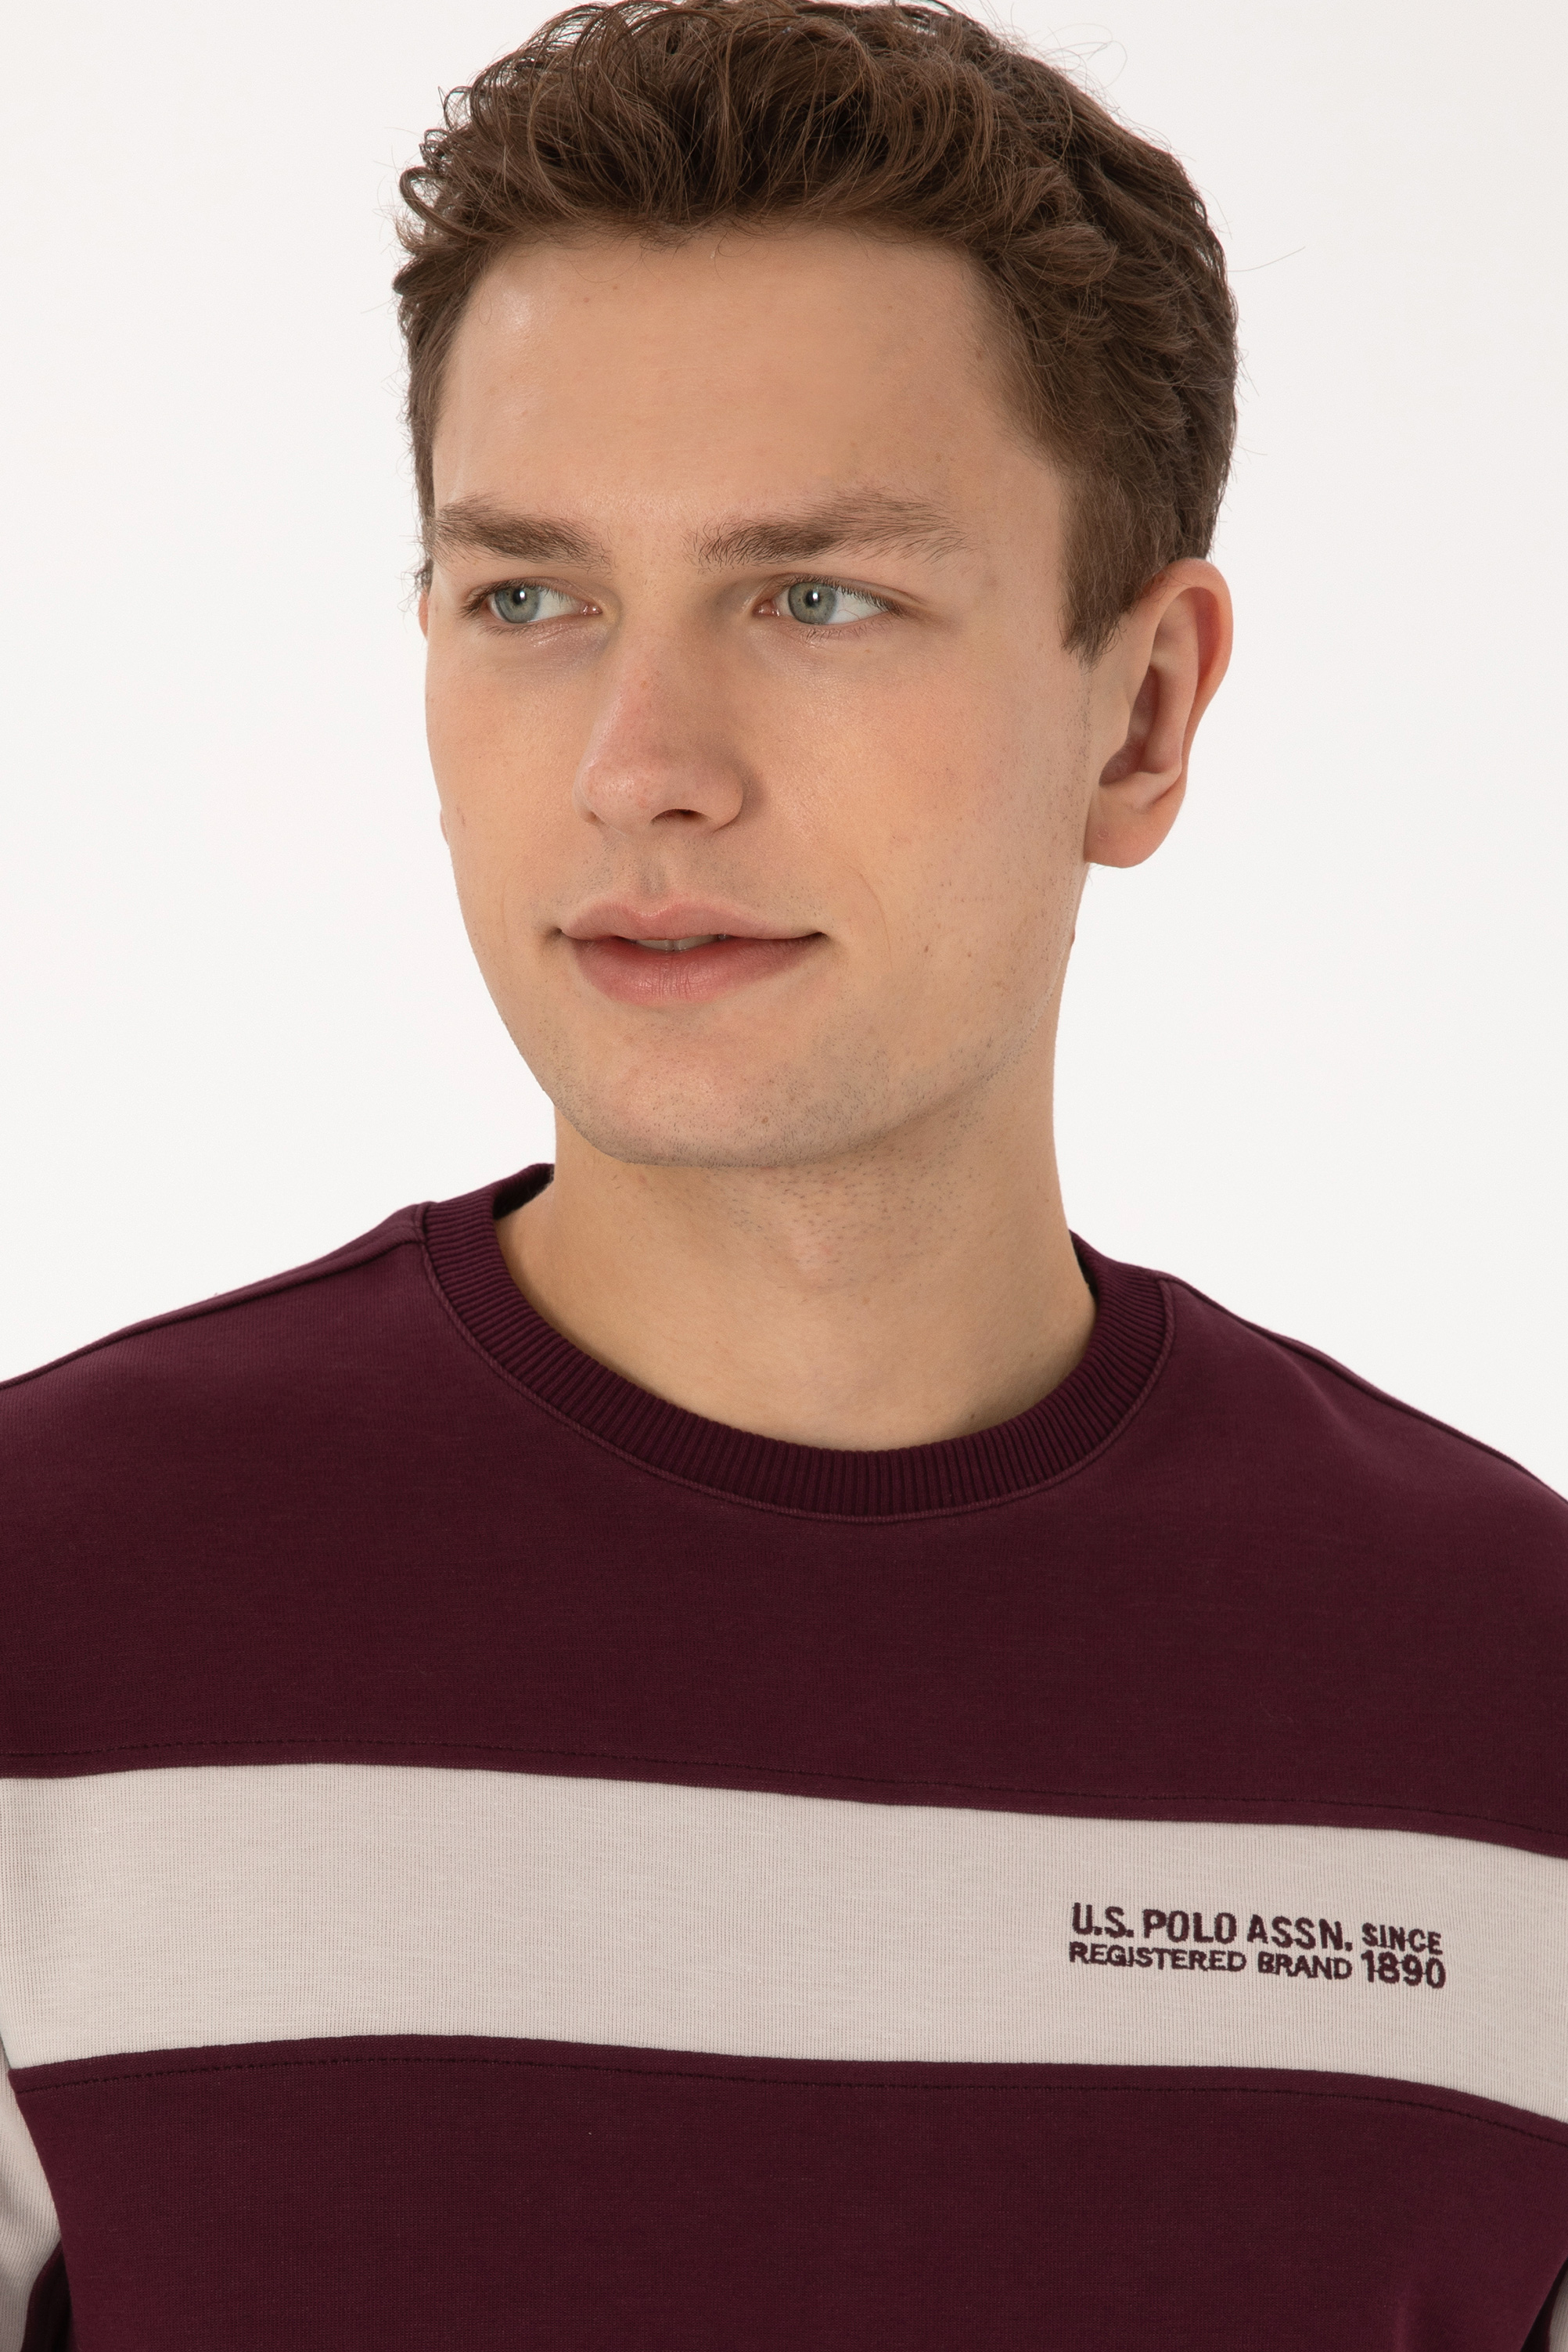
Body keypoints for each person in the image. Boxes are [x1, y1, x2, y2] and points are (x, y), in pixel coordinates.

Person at [2, 0, 1565, 2342]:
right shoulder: (44, 1622)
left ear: (1141, 713)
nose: (641, 765)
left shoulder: (1506, 1703)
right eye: (529, 598)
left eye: (816, 597)